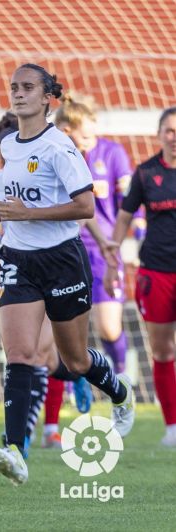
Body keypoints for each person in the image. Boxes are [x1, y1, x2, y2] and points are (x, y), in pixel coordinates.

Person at [0, 64, 135, 487]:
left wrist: (28, 213)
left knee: (74, 359)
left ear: (48, 98)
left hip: (62, 259)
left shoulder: (60, 147)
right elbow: (18, 200)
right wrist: (0, 213)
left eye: (28, 87)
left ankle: (119, 392)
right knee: (19, 354)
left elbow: (85, 206)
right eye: (14, 87)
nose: (18, 94)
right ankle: (15, 450)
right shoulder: (8, 143)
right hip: (18, 257)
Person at [0, 112, 92, 456]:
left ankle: (79, 374)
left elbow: (81, 210)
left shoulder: (50, 162)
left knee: (51, 359)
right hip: (18, 278)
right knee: (30, 355)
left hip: (57, 269)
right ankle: (20, 443)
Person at [104, 107, 176, 447]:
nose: (174, 136)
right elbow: (123, 218)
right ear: (159, 133)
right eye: (169, 130)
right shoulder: (146, 174)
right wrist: (112, 259)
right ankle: (173, 427)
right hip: (156, 272)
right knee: (162, 351)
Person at [55, 94, 141, 376]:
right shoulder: (59, 156)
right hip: (66, 249)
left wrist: (138, 240)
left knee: (109, 326)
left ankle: (121, 377)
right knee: (67, 325)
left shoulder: (113, 153)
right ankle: (70, 384)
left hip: (104, 250)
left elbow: (130, 203)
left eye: (92, 130)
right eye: (84, 132)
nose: (88, 137)